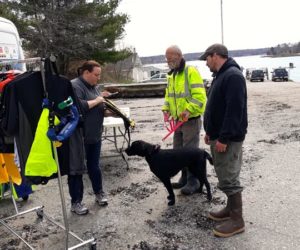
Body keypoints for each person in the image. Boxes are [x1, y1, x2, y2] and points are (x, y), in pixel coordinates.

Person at [199, 43, 248, 237]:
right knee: (224, 174)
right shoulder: (220, 76)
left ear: (216, 56)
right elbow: (215, 108)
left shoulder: (233, 76)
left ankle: (237, 220)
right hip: (218, 135)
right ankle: (230, 210)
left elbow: (234, 111)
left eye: (207, 58)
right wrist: (210, 131)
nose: (205, 63)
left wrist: (224, 138)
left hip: (228, 138)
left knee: (229, 177)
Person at [162, 45, 207, 195]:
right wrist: (166, 110)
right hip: (177, 121)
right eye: (167, 59)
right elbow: (169, 96)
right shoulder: (172, 75)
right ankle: (184, 178)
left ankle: (194, 182)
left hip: (191, 121)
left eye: (170, 59)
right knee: (178, 152)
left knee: (190, 153)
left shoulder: (191, 71)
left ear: (179, 56)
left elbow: (200, 96)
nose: (168, 61)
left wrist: (189, 110)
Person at [69, 60, 109, 215]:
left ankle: (99, 193)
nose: (98, 78)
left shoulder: (94, 87)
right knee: (76, 170)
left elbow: (97, 106)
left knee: (94, 166)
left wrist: (107, 109)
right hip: (79, 136)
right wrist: (99, 100)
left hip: (95, 135)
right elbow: (79, 107)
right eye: (96, 75)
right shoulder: (75, 86)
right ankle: (76, 202)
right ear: (86, 73)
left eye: (99, 75)